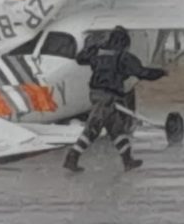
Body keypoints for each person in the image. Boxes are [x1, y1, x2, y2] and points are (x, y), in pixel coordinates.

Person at [64, 26, 168, 173]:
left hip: (96, 93)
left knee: (116, 129)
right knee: (92, 129)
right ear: (125, 43)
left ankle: (128, 161)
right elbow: (142, 73)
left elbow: (80, 58)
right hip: (108, 97)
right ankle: (72, 157)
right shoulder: (123, 58)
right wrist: (160, 72)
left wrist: (92, 45)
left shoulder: (97, 53)